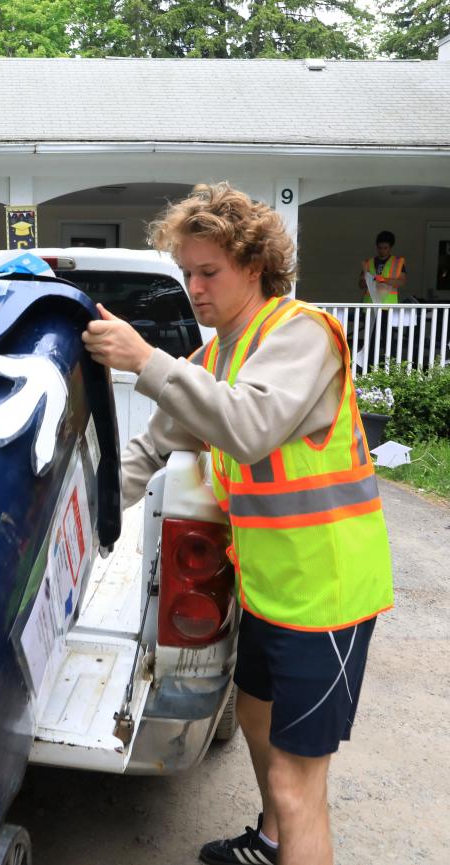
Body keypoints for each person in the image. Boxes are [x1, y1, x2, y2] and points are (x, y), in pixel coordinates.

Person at [82, 183, 393, 865]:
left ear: (254, 265)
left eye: (208, 271)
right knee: (254, 716)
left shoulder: (300, 334)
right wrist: (77, 521)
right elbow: (148, 450)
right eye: (186, 272)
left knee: (297, 775)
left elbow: (248, 426)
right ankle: (273, 840)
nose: (194, 286)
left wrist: (144, 360)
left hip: (327, 595)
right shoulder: (212, 358)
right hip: (270, 590)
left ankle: (291, 832)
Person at [358, 230, 406, 303]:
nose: (382, 250)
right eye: (379, 248)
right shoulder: (368, 263)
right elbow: (361, 285)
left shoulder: (397, 262)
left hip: (388, 305)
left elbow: (402, 282)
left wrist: (383, 279)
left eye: (385, 248)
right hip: (370, 304)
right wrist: (366, 281)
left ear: (390, 247)